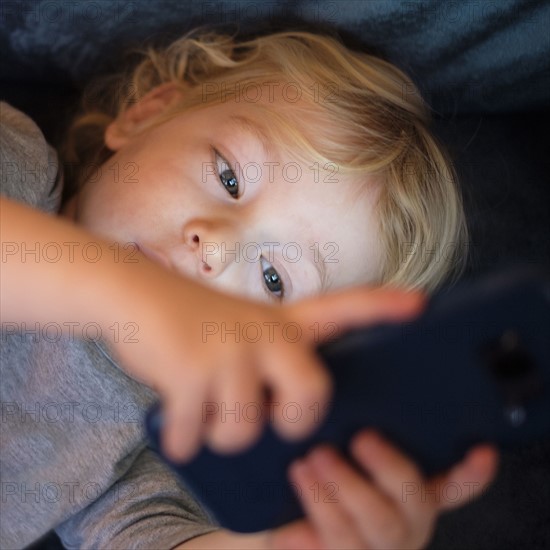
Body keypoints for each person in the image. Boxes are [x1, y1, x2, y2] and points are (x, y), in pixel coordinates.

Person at [0, 30, 497, 548]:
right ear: (149, 113)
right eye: (230, 178)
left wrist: (283, 545)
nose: (214, 249)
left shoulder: (159, 437)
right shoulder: (21, 171)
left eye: (273, 278)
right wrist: (124, 295)